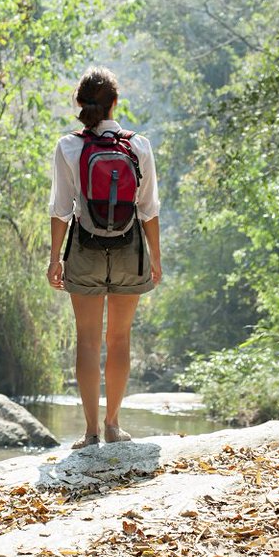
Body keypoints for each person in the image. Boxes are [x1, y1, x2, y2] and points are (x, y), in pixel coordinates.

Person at [46, 67, 162, 449]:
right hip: (130, 249)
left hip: (84, 248)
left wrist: (54, 259)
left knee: (87, 340)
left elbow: (61, 209)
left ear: (80, 103)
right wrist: (155, 259)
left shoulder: (69, 146)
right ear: (115, 102)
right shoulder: (139, 146)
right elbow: (149, 210)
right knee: (120, 338)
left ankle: (90, 432)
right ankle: (114, 424)